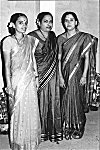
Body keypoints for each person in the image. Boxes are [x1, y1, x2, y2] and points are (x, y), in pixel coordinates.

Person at [2, 13, 41, 150]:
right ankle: (18, 141)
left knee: (30, 109)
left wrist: (36, 77)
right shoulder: (7, 41)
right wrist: (8, 85)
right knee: (17, 110)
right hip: (16, 80)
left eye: (25, 22)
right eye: (20, 22)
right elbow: (6, 65)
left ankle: (30, 141)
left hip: (29, 79)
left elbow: (33, 59)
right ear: (13, 24)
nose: (24, 25)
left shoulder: (30, 40)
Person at [57, 11, 98, 140]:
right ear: (63, 23)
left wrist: (84, 75)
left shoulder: (83, 37)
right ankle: (67, 126)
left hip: (78, 72)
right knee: (65, 99)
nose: (68, 22)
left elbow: (86, 58)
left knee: (77, 98)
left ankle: (78, 125)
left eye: (71, 20)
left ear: (76, 22)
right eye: (66, 20)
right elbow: (58, 59)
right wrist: (60, 76)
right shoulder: (60, 38)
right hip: (64, 72)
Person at [28, 12, 63, 142]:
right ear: (38, 22)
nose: (49, 24)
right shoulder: (31, 36)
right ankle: (40, 132)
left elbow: (57, 56)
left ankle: (54, 131)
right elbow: (29, 58)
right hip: (39, 74)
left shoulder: (53, 36)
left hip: (53, 74)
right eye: (45, 21)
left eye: (50, 21)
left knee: (54, 100)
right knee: (40, 102)